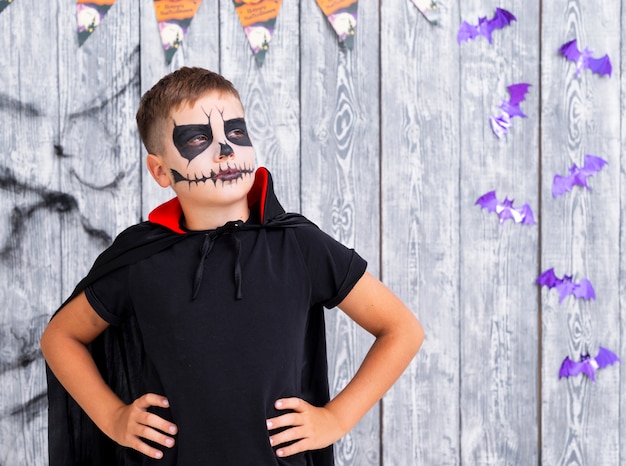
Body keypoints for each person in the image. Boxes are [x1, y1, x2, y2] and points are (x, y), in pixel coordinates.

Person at [40, 67, 424, 465]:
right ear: (159, 171)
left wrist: (336, 418)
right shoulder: (140, 258)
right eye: (198, 138)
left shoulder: (299, 245)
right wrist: (113, 417)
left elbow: (401, 329)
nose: (225, 151)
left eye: (236, 133)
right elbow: (60, 338)